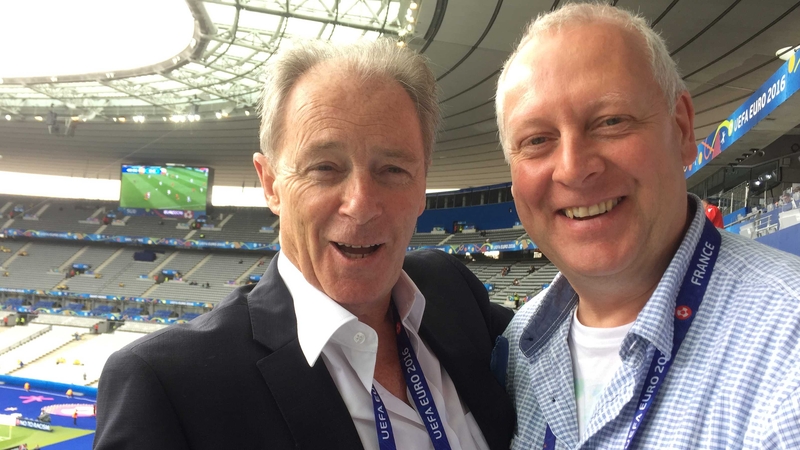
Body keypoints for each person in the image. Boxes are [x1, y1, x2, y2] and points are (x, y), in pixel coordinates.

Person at [94, 39, 514, 450]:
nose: (361, 205)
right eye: (325, 168)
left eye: (393, 169)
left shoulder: (451, 289)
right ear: (271, 184)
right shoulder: (168, 386)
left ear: (423, 183)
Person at [496, 3, 800, 449]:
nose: (574, 168)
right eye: (537, 140)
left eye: (611, 121)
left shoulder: (787, 346)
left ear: (680, 129)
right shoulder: (517, 344)